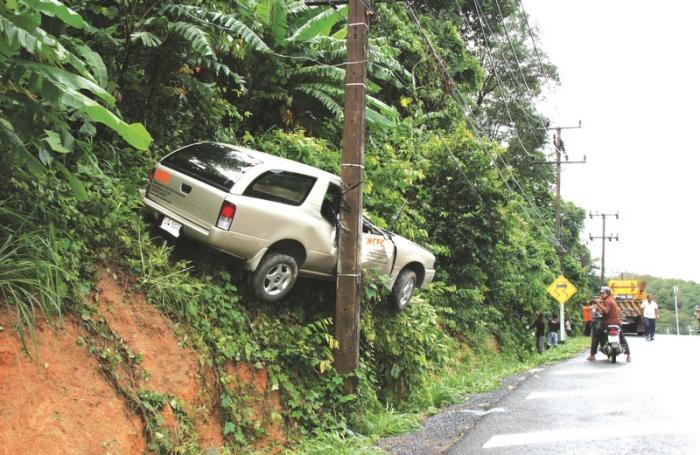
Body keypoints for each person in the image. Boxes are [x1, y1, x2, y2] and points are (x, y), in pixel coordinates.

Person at [588, 286, 631, 362]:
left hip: (607, 324)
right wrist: (599, 307)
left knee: (595, 336)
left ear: (607, 293)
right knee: (622, 338)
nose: (601, 295)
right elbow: (608, 312)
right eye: (600, 293)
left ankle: (592, 355)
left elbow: (606, 311)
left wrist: (597, 303)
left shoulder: (608, 301)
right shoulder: (611, 300)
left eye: (603, 293)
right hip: (617, 324)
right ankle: (628, 355)